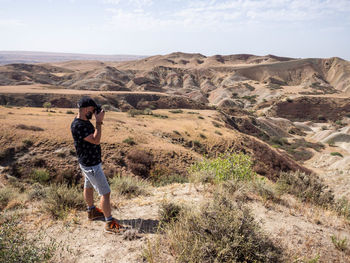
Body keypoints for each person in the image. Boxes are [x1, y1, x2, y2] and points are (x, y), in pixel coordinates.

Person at [70, 96, 126, 234]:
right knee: (105, 193)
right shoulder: (78, 125)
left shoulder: (83, 121)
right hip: (91, 165)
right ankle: (109, 222)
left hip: (87, 163)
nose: (95, 112)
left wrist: (96, 120)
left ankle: (92, 211)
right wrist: (99, 122)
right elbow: (96, 140)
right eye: (93, 110)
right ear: (86, 109)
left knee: (88, 186)